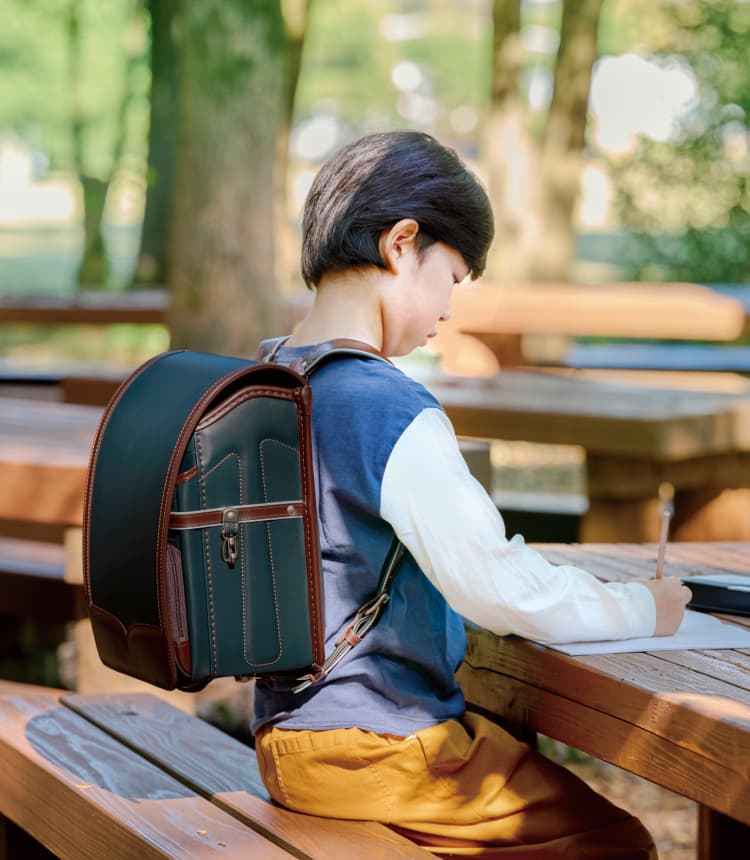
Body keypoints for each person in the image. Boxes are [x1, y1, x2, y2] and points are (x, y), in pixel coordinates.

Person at [252, 130, 691, 859]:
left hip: (285, 743)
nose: (449, 311)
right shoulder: (387, 408)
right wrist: (646, 607)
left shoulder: (272, 376)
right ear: (401, 244)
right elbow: (494, 585)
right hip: (384, 750)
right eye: (452, 278)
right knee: (617, 842)